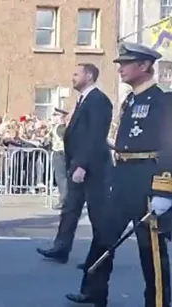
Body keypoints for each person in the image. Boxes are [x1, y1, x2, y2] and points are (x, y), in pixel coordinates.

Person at [65, 42, 171, 307]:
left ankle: (157, 302)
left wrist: (163, 189)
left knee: (151, 251)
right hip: (122, 178)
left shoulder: (163, 101)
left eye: (126, 63)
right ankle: (94, 292)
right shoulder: (131, 99)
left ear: (144, 66)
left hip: (147, 181)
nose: (121, 68)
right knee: (103, 237)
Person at [37, 63, 112, 265]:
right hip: (77, 163)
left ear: (88, 76)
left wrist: (83, 165)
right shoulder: (83, 100)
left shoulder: (98, 100)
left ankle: (99, 257)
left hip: (93, 167)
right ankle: (61, 248)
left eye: (76, 74)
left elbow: (95, 136)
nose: (72, 77)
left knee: (97, 214)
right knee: (70, 209)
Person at [50, 108, 68, 210]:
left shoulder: (61, 128)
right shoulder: (61, 127)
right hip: (61, 152)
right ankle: (65, 199)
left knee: (61, 177)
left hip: (60, 152)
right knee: (62, 177)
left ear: (60, 117)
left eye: (55, 116)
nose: (54, 118)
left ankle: (63, 200)